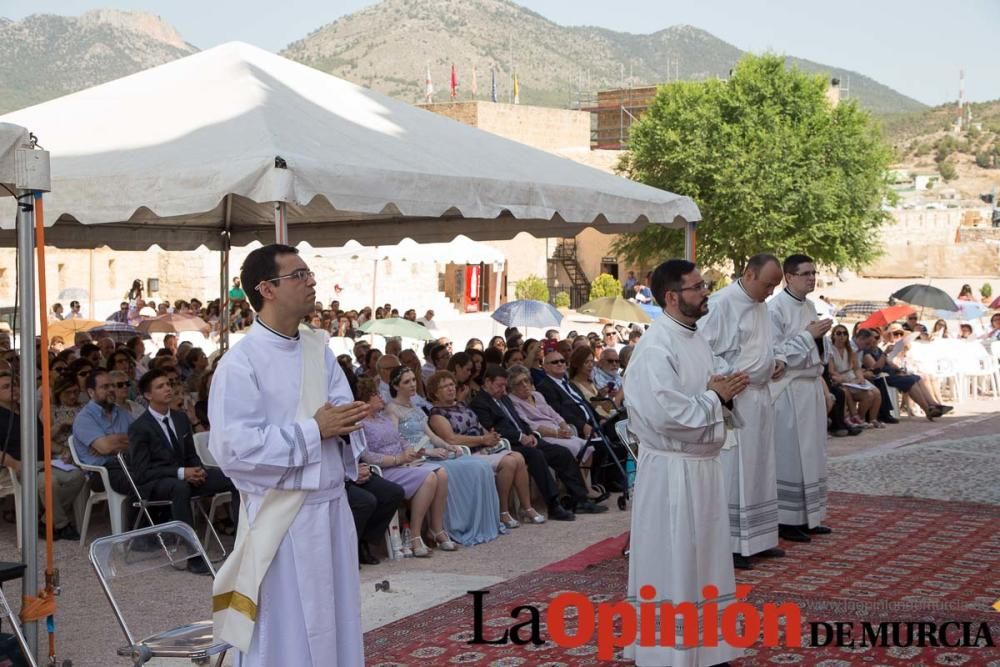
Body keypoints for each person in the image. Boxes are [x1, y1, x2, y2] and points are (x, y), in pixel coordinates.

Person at [208, 244, 369, 666]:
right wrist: (315, 430)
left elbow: (341, 414)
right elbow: (233, 449)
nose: (311, 282)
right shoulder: (240, 363)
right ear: (267, 289)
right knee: (286, 631)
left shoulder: (319, 349)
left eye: (310, 273)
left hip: (330, 509)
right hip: (282, 516)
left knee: (335, 618)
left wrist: (346, 426)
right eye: (299, 275)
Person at [623, 259, 749, 667]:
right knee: (675, 560)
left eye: (705, 284)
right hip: (672, 473)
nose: (705, 292)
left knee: (706, 559)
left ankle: (708, 648)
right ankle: (669, 653)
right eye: (697, 287)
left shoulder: (695, 338)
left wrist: (724, 391)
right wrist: (717, 398)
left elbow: (708, 388)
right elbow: (667, 414)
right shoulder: (655, 347)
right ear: (672, 297)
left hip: (701, 469)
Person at [699, 253, 785, 570]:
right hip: (738, 396)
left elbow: (761, 344)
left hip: (761, 395)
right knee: (737, 471)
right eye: (767, 284)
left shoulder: (760, 304)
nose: (771, 292)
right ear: (749, 274)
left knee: (761, 467)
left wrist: (773, 361)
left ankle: (760, 539)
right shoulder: (722, 304)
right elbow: (705, 350)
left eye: (776, 286)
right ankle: (734, 544)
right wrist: (734, 374)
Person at [127, 369, 238, 574]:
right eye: (160, 387)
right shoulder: (139, 427)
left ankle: (242, 543)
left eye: (168, 384)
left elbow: (190, 455)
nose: (168, 388)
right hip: (156, 483)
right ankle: (193, 556)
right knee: (179, 488)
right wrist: (181, 472)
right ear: (148, 396)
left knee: (234, 478)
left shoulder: (180, 418)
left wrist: (198, 470)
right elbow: (141, 472)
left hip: (185, 475)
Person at [385, 366, 499, 546]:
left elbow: (430, 435)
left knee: (480, 465)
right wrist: (428, 451)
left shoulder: (414, 407)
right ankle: (448, 526)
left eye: (414, 380)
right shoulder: (392, 409)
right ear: (396, 386)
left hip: (434, 452)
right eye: (407, 382)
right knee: (460, 469)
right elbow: (395, 439)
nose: (413, 384)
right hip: (416, 457)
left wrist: (448, 446)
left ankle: (474, 521)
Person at [471, 366, 604, 520]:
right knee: (537, 455)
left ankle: (580, 499)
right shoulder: (480, 403)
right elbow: (493, 429)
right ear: (487, 382)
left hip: (525, 438)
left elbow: (520, 421)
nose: (503, 389)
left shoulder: (503, 398)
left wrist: (531, 434)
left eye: (504, 386)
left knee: (561, 452)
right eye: (499, 385)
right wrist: (521, 437)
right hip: (508, 444)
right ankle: (553, 504)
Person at [768, 255, 833, 542]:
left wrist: (820, 339)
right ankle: (786, 520)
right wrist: (809, 336)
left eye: (814, 273)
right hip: (788, 389)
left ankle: (810, 516)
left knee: (813, 452)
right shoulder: (774, 310)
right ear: (788, 277)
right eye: (805, 273)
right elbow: (775, 353)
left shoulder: (809, 306)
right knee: (791, 454)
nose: (812, 277)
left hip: (809, 386)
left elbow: (819, 350)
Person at [426, 371, 539, 530]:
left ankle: (526, 508)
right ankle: (503, 511)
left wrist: (490, 436)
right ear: (435, 392)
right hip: (466, 454)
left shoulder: (462, 405)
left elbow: (478, 425)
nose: (450, 389)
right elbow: (451, 439)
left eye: (451, 384)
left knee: (518, 457)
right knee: (509, 462)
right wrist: (482, 440)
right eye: (444, 387)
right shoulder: (437, 415)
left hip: (483, 448)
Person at [356, 377, 449, 558]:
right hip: (385, 470)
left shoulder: (382, 419)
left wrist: (410, 451)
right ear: (366, 398)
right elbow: (367, 455)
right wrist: (397, 458)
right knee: (429, 477)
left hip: (403, 464)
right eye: (376, 394)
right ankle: (414, 536)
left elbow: (400, 439)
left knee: (442, 473)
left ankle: (435, 529)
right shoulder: (361, 424)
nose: (381, 397)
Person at [1, 370, 86, 540]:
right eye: (6, 387)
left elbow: (41, 439)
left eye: (15, 385)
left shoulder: (26, 411)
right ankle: (61, 525)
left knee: (76, 475)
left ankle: (46, 521)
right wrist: (15, 464)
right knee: (49, 482)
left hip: (41, 462)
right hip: (13, 467)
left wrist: (61, 450)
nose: (13, 389)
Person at [828, 324, 882, 428]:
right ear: (833, 335)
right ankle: (855, 417)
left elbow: (856, 368)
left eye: (844, 333)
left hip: (851, 376)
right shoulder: (830, 351)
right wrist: (842, 378)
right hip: (840, 377)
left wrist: (860, 378)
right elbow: (831, 371)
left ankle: (863, 418)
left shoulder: (850, 350)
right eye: (839, 333)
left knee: (874, 393)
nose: (842, 336)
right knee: (868, 394)